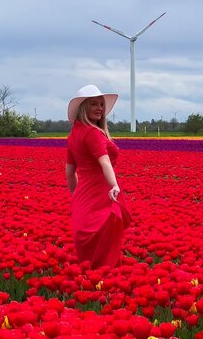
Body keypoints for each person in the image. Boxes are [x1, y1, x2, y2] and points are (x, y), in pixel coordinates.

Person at [66, 84, 133, 269]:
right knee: (105, 244)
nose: (99, 108)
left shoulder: (74, 134)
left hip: (84, 196)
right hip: (101, 195)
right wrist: (114, 186)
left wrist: (76, 197)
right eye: (93, 104)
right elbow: (104, 162)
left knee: (91, 248)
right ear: (83, 108)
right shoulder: (92, 133)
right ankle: (105, 287)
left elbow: (70, 172)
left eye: (101, 104)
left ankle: (92, 285)